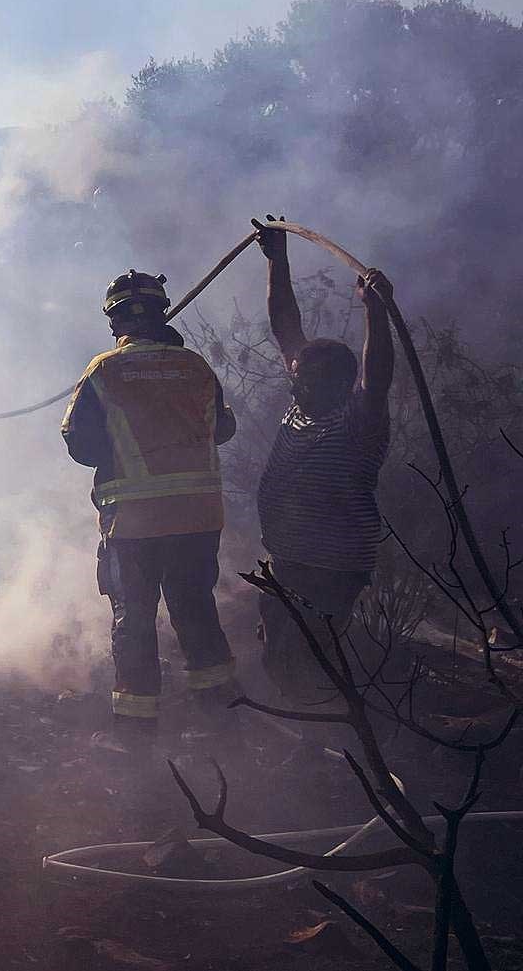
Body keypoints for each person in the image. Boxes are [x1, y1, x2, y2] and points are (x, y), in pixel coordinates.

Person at [62, 270, 240, 753]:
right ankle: (225, 723)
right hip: (197, 519)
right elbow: (222, 429)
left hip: (134, 525)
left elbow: (80, 444)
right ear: (163, 311)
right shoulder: (196, 367)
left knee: (134, 620)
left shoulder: (104, 370)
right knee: (197, 613)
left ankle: (136, 737)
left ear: (114, 318)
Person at [253, 215, 394, 703]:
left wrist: (375, 310)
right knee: (278, 653)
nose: (296, 380)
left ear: (335, 382)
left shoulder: (357, 420)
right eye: (297, 375)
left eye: (305, 377)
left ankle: (331, 739)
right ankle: (311, 729)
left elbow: (377, 376)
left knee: (312, 660)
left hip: (332, 566)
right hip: (290, 557)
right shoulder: (302, 407)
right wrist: (278, 259)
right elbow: (285, 327)